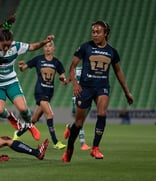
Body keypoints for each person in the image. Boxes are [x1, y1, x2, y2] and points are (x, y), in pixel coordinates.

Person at [0, 14, 55, 141]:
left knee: (23, 109)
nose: (7, 47)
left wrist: (44, 42)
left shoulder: (15, 46)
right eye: (5, 45)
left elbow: (32, 47)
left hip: (11, 82)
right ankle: (12, 118)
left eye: (9, 45)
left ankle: (29, 125)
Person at [62, 21, 134, 163]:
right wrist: (75, 84)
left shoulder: (112, 52)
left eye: (98, 32)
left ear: (105, 33)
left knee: (102, 113)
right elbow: (72, 67)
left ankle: (95, 147)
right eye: (93, 32)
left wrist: (127, 92)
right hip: (85, 88)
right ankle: (69, 148)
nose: (94, 34)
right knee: (78, 123)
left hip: (102, 87)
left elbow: (118, 71)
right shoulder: (85, 47)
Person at [14, 41, 67, 150]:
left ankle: (18, 134)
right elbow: (23, 68)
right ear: (43, 48)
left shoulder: (57, 62)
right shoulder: (38, 59)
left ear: (54, 48)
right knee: (50, 115)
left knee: (34, 120)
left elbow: (62, 76)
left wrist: (63, 79)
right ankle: (56, 142)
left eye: (50, 46)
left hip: (49, 93)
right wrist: (20, 67)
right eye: (46, 46)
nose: (47, 48)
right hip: (40, 91)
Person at [63, 67, 91, 151]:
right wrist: (67, 81)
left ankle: (70, 128)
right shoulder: (78, 69)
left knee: (81, 120)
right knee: (80, 120)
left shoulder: (91, 68)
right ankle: (82, 143)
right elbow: (72, 76)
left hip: (88, 97)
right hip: (77, 97)